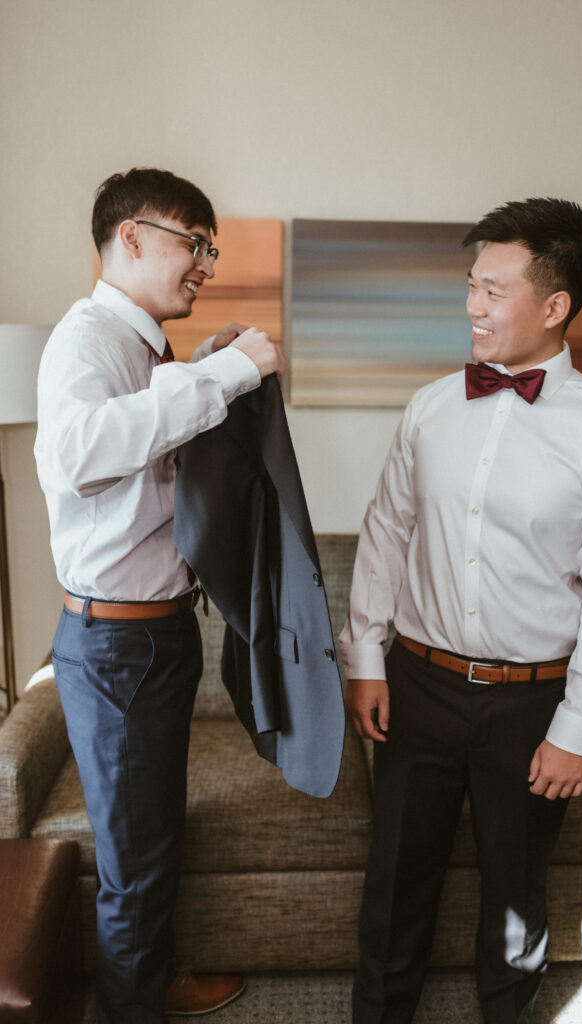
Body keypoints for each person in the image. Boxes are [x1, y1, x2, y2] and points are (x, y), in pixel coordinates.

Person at [340, 197, 582, 1024]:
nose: (472, 305)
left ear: (554, 307)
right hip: (418, 686)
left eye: (493, 289)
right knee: (395, 888)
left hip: (531, 704)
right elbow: (386, 532)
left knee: (516, 903)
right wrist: (365, 658)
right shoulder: (432, 407)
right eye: (471, 285)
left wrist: (577, 728)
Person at [34, 167, 285, 1024]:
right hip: (119, 646)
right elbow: (79, 452)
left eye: (210, 249)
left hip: (152, 639)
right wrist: (223, 380)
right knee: (133, 861)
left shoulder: (144, 350)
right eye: (196, 244)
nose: (206, 264)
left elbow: (149, 461)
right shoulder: (86, 339)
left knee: (154, 841)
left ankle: (153, 980)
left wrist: (205, 365)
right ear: (131, 236)